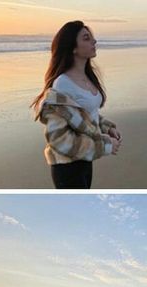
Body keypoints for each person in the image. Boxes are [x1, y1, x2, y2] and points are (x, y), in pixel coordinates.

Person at [32, 21, 121, 189]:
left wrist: (106, 127)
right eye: (86, 38)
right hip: (67, 165)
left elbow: (83, 113)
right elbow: (59, 139)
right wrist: (105, 146)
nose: (94, 42)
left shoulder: (88, 77)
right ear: (73, 48)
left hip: (85, 159)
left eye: (92, 38)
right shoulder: (63, 84)